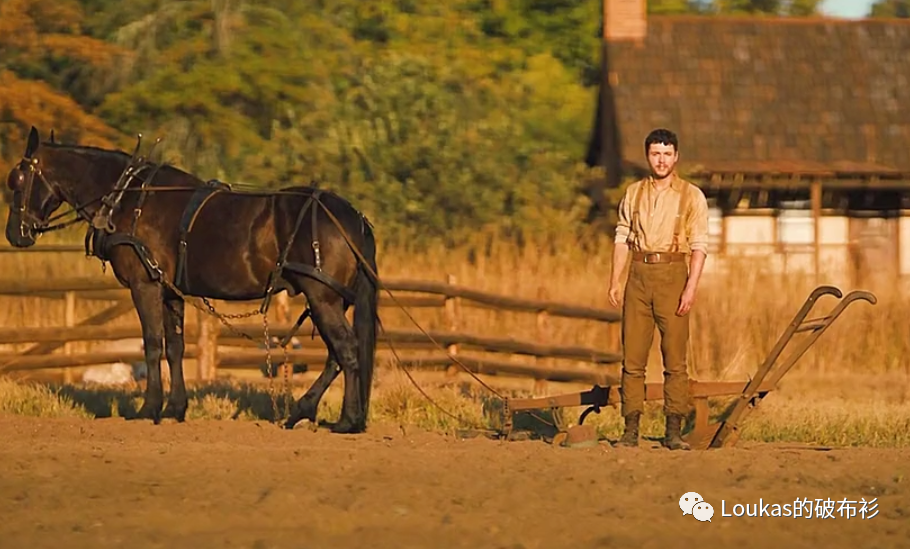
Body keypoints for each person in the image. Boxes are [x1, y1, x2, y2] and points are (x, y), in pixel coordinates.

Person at [608, 128, 709, 451]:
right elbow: (622, 236)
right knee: (633, 358)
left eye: (667, 154)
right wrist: (615, 280)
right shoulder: (633, 193)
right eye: (655, 153)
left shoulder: (691, 195)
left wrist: (691, 287)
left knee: (675, 360)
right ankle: (630, 428)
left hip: (673, 274)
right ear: (647, 156)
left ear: (676, 156)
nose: (661, 160)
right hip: (638, 274)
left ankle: (673, 430)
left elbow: (699, 245)